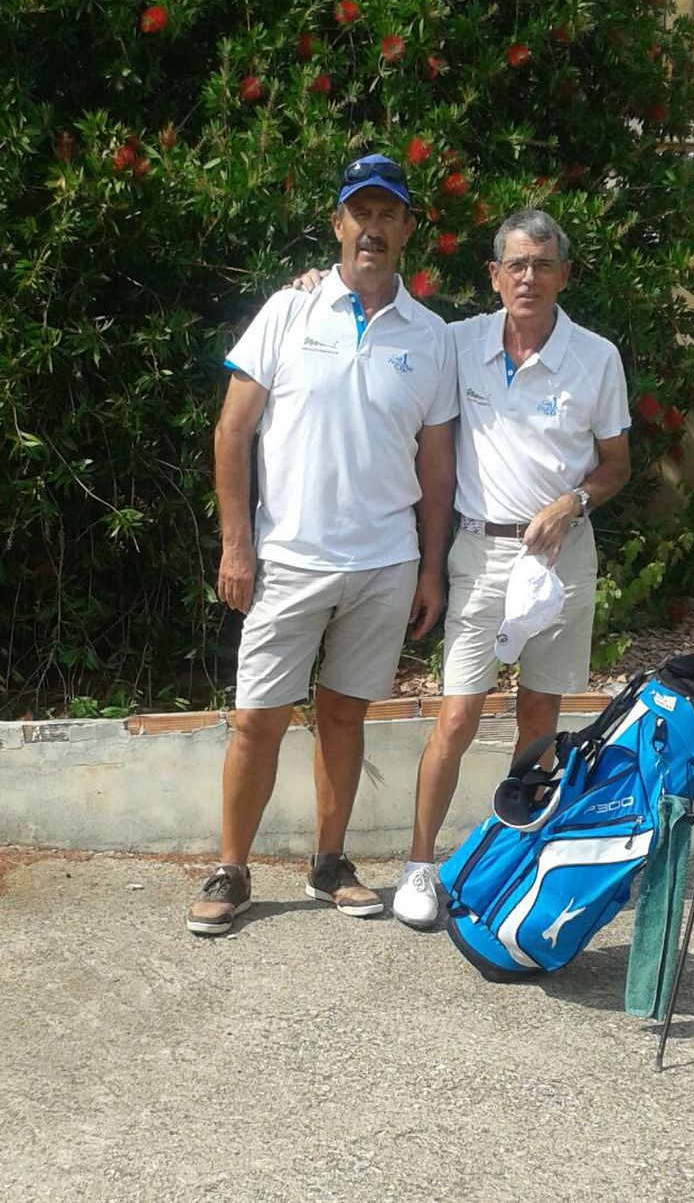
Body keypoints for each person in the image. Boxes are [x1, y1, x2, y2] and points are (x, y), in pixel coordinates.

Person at [294, 208, 631, 929]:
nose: (529, 278)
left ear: (564, 275)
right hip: (480, 553)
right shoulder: (456, 341)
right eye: (516, 265)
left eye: (543, 264)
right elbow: (382, 317)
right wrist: (321, 286)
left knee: (539, 715)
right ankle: (419, 866)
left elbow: (615, 464)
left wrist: (573, 501)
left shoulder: (596, 357)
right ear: (494, 275)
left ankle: (518, 861)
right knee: (458, 714)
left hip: (561, 556)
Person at [186, 154, 457, 936]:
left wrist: (430, 569)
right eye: (359, 213)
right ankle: (232, 869)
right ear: (337, 224)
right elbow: (232, 431)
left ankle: (329, 863)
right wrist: (237, 546)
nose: (372, 228)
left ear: (406, 229)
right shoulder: (287, 310)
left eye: (387, 214)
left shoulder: (432, 337)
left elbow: (436, 465)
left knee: (343, 717)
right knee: (256, 720)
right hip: (289, 560)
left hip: (384, 564)